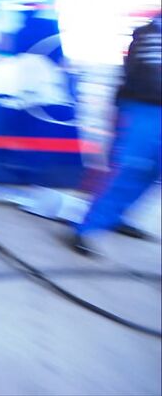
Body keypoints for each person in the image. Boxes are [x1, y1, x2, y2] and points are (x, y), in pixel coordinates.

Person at [70, 13, 162, 256]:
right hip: (145, 108)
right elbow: (151, 77)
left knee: (152, 172)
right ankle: (86, 228)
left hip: (151, 108)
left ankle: (115, 216)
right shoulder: (152, 33)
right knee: (129, 167)